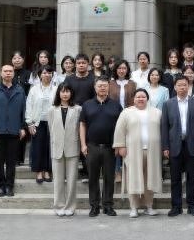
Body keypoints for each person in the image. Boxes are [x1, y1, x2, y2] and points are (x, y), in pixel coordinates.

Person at [114, 89, 163, 218]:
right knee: (133, 178)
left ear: (147, 99)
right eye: (138, 97)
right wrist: (121, 146)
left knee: (149, 179)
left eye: (143, 97)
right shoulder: (126, 112)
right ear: (134, 99)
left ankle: (149, 206)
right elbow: (119, 130)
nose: (141, 99)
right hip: (132, 150)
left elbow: (163, 130)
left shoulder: (157, 112)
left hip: (152, 151)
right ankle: (134, 207)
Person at [161, 76, 194, 217]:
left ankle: (193, 206)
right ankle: (176, 206)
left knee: (192, 178)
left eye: (185, 85)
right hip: (174, 145)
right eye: (179, 85)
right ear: (175, 87)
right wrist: (165, 146)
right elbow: (164, 127)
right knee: (175, 179)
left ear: (188, 86)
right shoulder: (168, 104)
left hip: (192, 145)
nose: (182, 87)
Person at [79, 78, 122, 217]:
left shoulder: (116, 105)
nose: (102, 88)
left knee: (109, 178)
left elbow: (121, 127)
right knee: (93, 178)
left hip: (110, 147)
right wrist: (83, 144)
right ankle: (94, 206)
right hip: (92, 146)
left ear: (108, 87)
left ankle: (108, 205)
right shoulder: (87, 105)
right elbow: (82, 125)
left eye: (105, 85)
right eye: (100, 86)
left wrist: (119, 144)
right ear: (95, 87)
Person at [0, 65, 27, 197]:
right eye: (5, 71)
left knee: (11, 162)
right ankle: (0, 186)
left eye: (10, 71)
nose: (8, 73)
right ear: (1, 73)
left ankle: (9, 186)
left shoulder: (20, 90)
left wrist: (23, 127)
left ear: (13, 74)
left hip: (14, 130)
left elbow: (24, 110)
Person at [47, 82, 80, 216]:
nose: (65, 94)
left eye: (67, 91)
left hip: (72, 147)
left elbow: (79, 129)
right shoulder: (52, 110)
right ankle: (59, 206)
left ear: (71, 93)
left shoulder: (78, 109)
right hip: (57, 148)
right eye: (62, 91)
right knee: (58, 181)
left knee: (72, 181)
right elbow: (51, 129)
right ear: (58, 93)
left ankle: (70, 206)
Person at [25, 66, 56, 183]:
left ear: (52, 75)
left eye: (49, 73)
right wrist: (29, 123)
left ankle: (47, 170)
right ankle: (38, 171)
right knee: (38, 147)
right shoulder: (34, 89)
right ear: (40, 75)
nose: (47, 75)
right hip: (37, 122)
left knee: (49, 147)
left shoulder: (56, 89)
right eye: (44, 73)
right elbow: (29, 106)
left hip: (52, 122)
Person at [10, 51, 31, 165]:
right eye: (14, 58)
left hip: (25, 106)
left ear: (23, 59)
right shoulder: (9, 72)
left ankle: (19, 159)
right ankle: (11, 157)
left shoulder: (28, 73)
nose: (17, 60)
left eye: (19, 58)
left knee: (23, 130)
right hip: (11, 106)